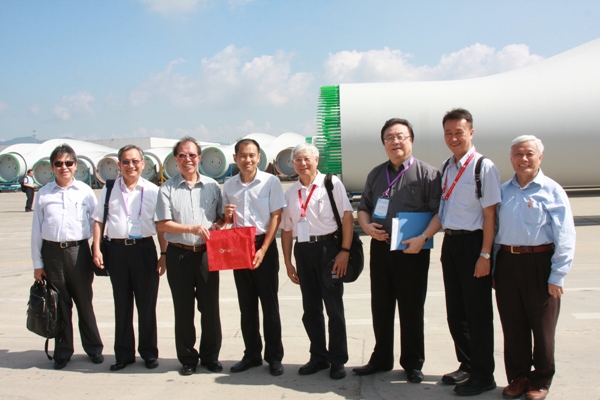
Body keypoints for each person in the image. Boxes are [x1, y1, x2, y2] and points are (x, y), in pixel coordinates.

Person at [354, 118, 441, 383]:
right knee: (381, 306)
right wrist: (366, 227)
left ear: (411, 140)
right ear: (384, 143)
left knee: (411, 307)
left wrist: (423, 237)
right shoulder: (376, 174)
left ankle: (413, 362)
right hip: (381, 247)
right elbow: (364, 208)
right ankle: (381, 358)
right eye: (389, 138)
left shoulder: (428, 174)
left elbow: (440, 212)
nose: (395, 142)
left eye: (401, 136)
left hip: (412, 251)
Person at [494, 136, 575, 400]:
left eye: (529, 153)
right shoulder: (502, 192)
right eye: (518, 154)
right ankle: (519, 377)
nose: (524, 159)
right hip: (508, 263)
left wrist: (557, 274)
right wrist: (494, 268)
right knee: (513, 326)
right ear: (511, 159)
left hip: (540, 263)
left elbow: (565, 236)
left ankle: (540, 379)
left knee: (542, 328)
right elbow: (494, 231)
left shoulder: (552, 191)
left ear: (540, 157)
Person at [438, 108, 501, 396]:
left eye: (459, 132)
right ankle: (467, 364)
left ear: (471, 133)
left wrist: (485, 255)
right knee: (456, 313)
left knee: (478, 314)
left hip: (474, 244)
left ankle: (484, 375)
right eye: (448, 133)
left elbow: (490, 215)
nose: (453, 138)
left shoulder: (483, 167)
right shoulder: (446, 166)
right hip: (451, 243)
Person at [281, 143, 353, 380]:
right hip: (303, 251)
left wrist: (344, 251)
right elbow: (287, 230)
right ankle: (318, 356)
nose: (302, 164)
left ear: (316, 160)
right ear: (293, 164)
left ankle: (338, 359)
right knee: (311, 309)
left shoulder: (331, 184)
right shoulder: (290, 193)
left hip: (328, 249)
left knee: (334, 307)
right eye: (298, 160)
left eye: (307, 159)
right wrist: (288, 262)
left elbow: (347, 218)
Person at [91, 145, 166, 371]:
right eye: (125, 161)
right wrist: (96, 249)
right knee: (122, 304)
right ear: (119, 165)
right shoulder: (110, 189)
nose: (130, 166)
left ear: (143, 164)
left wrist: (164, 254)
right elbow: (98, 220)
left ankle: (149, 353)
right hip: (117, 252)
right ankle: (123, 355)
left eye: (135, 161)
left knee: (147, 305)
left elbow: (161, 226)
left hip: (144, 250)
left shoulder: (153, 191)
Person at [30, 144, 104, 370]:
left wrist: (96, 249)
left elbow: (97, 222)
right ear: (52, 167)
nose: (64, 167)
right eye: (59, 163)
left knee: (84, 302)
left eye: (68, 163)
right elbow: (36, 230)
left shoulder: (84, 191)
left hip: (79, 253)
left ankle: (93, 348)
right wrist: (38, 264)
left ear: (75, 165)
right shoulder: (44, 194)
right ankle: (63, 352)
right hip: (52, 254)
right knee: (59, 305)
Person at [155, 136, 224, 376]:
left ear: (199, 158)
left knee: (210, 308)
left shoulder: (212, 186)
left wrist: (220, 223)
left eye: (192, 155)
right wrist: (191, 228)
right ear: (176, 159)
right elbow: (163, 224)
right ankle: (187, 358)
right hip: (180, 255)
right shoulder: (167, 189)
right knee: (183, 310)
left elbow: (219, 218)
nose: (188, 159)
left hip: (206, 254)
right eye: (182, 155)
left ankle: (210, 356)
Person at [222, 139, 286, 376]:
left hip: (263, 244)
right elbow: (225, 221)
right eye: (242, 155)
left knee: (269, 305)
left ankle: (274, 356)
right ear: (235, 158)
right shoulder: (229, 185)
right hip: (239, 244)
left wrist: (263, 249)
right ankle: (251, 354)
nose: (247, 159)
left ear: (259, 157)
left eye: (251, 155)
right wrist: (225, 216)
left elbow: (276, 216)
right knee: (246, 305)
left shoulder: (271, 182)